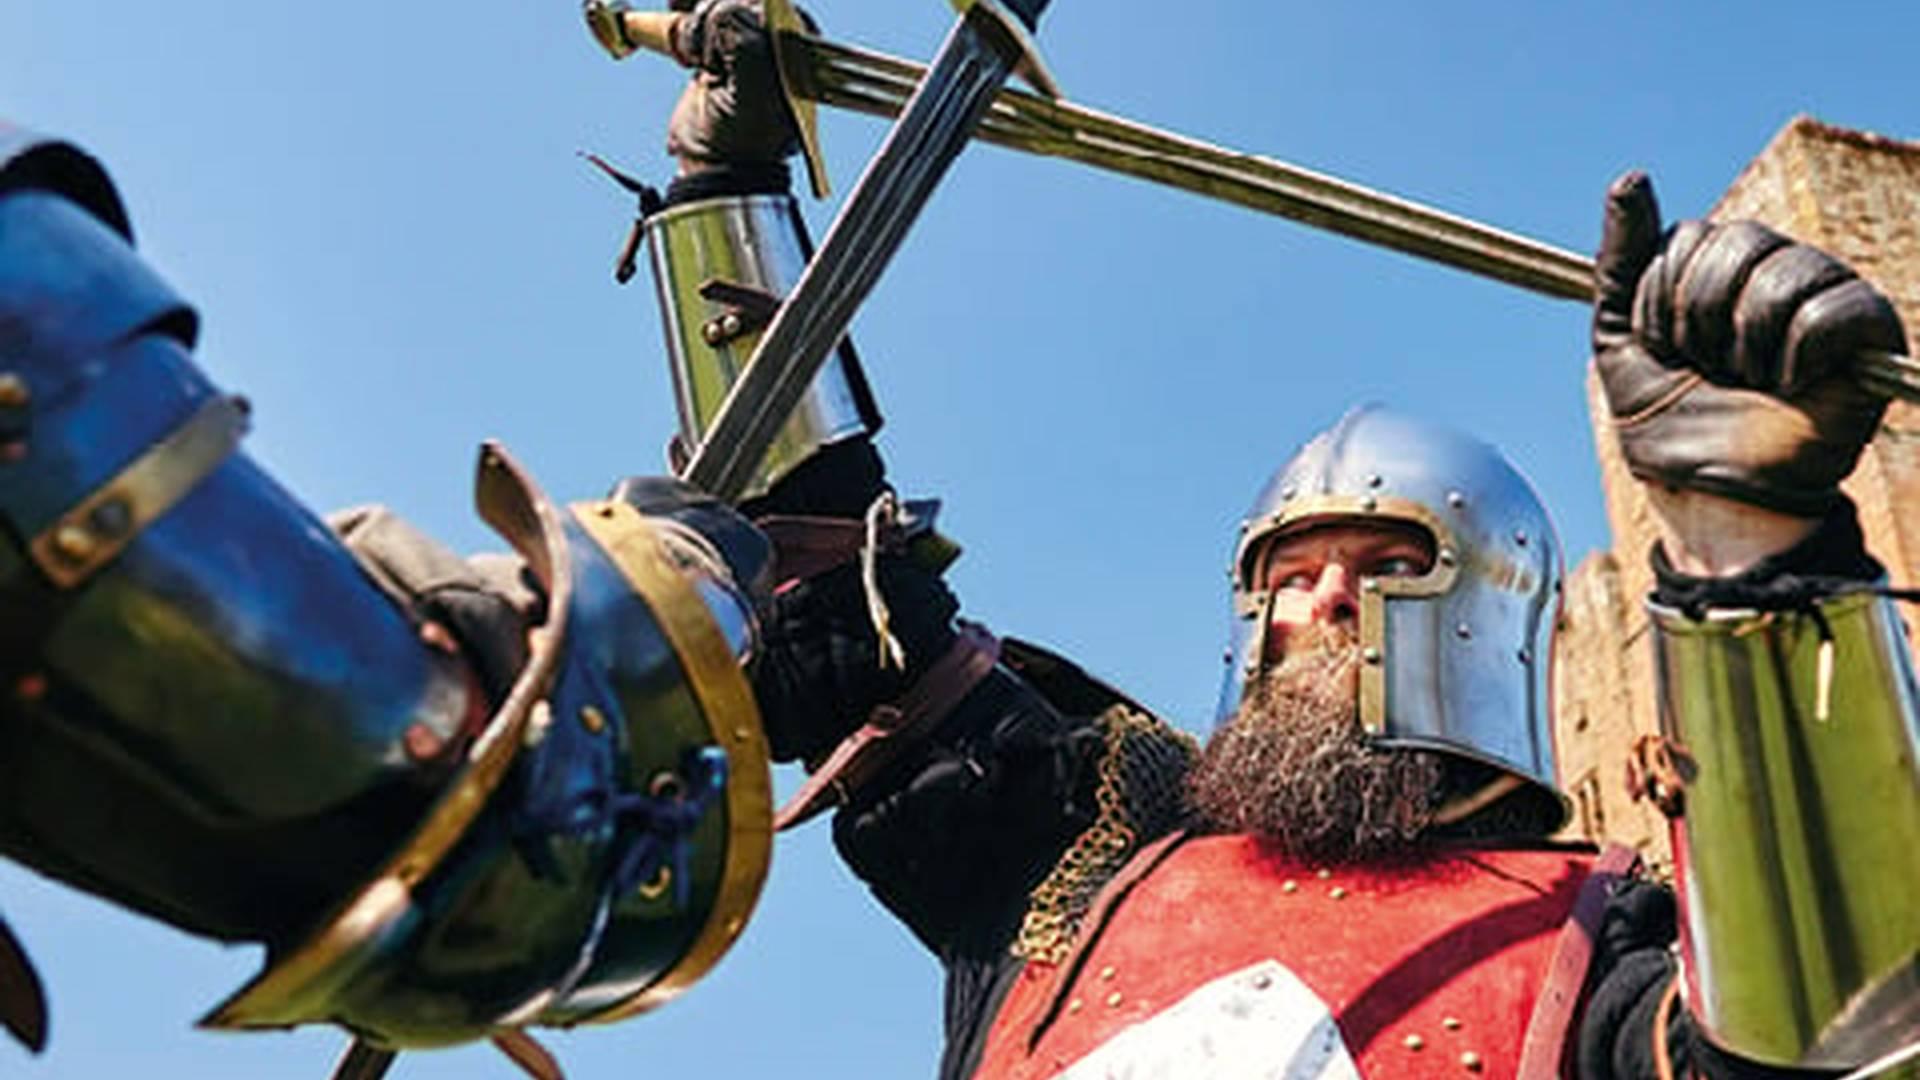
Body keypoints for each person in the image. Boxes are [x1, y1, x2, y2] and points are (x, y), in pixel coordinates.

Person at [614, 1, 1920, 1077]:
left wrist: (1756, 550)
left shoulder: (1611, 930)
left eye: (1387, 569)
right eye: (1290, 575)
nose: (1326, 601)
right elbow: (842, 595)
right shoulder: (1078, 850)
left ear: (1493, 619)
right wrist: (722, 193)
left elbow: (1826, 1051)